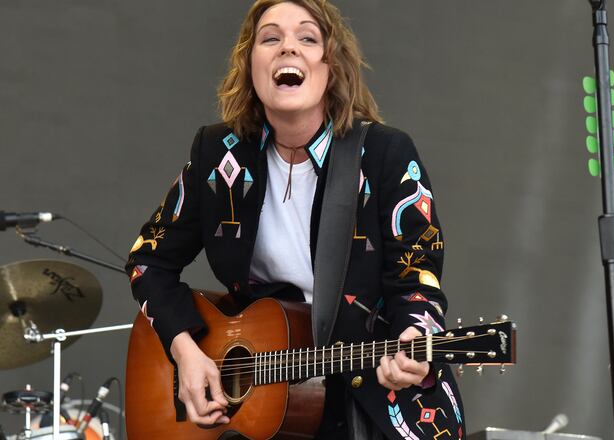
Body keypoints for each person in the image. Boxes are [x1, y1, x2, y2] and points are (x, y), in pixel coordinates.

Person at [125, 1, 465, 438]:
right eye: (270, 38)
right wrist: (186, 352)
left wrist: (413, 339)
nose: (288, 48)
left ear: (332, 66)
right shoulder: (219, 157)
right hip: (276, 409)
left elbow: (417, 277)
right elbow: (147, 261)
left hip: (380, 398)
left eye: (307, 38)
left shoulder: (383, 155)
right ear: (250, 65)